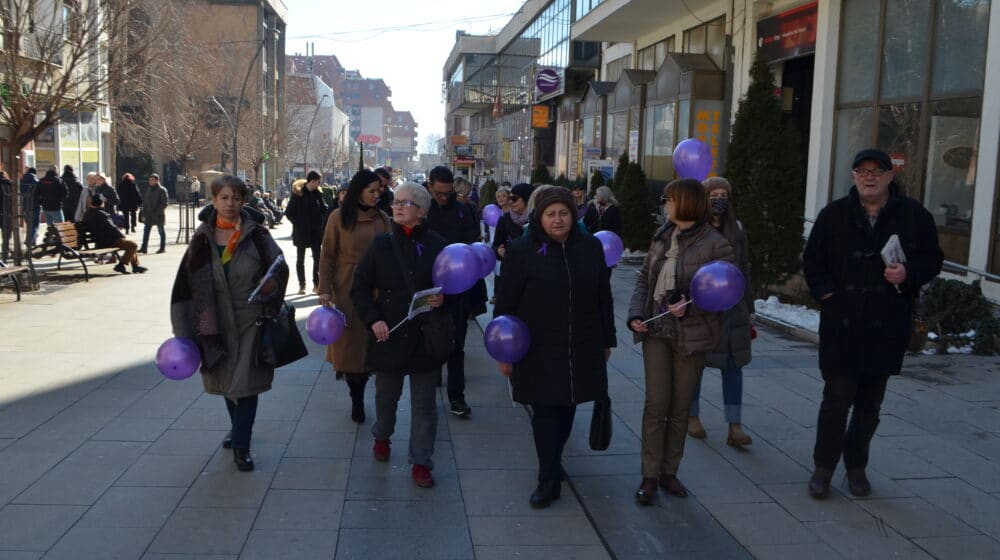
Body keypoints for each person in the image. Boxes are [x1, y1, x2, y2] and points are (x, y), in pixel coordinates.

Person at [802, 148, 943, 499]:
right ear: (853, 177)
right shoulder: (834, 215)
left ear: (889, 176)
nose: (869, 177)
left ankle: (856, 467)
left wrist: (908, 273)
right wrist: (828, 295)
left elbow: (933, 258)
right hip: (842, 325)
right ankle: (823, 468)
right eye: (862, 171)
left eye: (876, 171)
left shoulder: (914, 216)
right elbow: (812, 259)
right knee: (836, 401)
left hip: (886, 325)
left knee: (869, 405)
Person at [494, 186, 616, 508]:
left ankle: (553, 458)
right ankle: (548, 477)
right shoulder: (522, 251)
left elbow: (604, 296)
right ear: (539, 217)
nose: (558, 220)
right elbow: (505, 302)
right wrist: (503, 350)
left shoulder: (589, 247)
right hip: (536, 345)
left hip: (581, 341)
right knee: (545, 411)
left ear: (573, 215)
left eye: (564, 213)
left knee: (568, 405)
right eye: (551, 214)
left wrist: (607, 339)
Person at [627, 178, 735, 505]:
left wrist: (691, 302)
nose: (665, 204)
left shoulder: (716, 243)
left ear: (685, 202)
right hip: (656, 333)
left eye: (669, 199)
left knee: (679, 408)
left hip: (692, 337)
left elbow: (726, 292)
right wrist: (635, 314)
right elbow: (644, 279)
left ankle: (669, 472)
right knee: (655, 404)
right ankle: (648, 475)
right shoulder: (662, 235)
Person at [170, 175, 288, 472]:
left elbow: (280, 267)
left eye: (236, 197)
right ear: (213, 200)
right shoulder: (201, 238)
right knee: (225, 381)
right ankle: (238, 430)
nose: (230, 203)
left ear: (243, 201)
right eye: (223, 197)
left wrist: (271, 285)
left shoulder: (258, 235)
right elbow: (184, 285)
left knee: (245, 385)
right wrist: (183, 331)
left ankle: (241, 446)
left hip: (250, 318)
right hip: (212, 320)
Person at [350, 181, 448, 488]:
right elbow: (360, 287)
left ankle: (421, 462)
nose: (397, 206)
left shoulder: (437, 245)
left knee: (424, 405)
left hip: (425, 335)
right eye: (396, 202)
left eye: (405, 203)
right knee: (386, 398)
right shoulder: (381, 245)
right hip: (389, 333)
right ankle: (382, 435)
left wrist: (446, 299)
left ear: (421, 212)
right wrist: (373, 320)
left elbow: (456, 286)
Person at [318, 169, 391, 423]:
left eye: (378, 190)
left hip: (378, 287)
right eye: (371, 190)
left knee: (374, 342)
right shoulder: (339, 217)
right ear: (358, 191)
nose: (376, 195)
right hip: (346, 286)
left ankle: (367, 386)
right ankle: (356, 396)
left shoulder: (383, 218)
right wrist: (324, 288)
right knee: (350, 346)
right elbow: (327, 254)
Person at [687, 177, 755, 447]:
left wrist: (749, 308)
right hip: (701, 307)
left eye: (723, 194)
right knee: (696, 365)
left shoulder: (737, 228)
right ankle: (692, 417)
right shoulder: (694, 229)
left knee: (734, 366)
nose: (719, 198)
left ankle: (734, 426)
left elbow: (745, 268)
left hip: (733, 308)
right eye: (713, 194)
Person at [425, 165, 480, 418]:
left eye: (447, 192)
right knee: (427, 342)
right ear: (429, 186)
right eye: (439, 192)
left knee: (457, 345)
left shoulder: (463, 210)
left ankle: (457, 397)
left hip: (458, 289)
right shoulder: (423, 211)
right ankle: (430, 382)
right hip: (429, 288)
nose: (443, 197)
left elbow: (473, 244)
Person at [283, 171, 328, 294]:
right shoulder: (299, 194)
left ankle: (316, 284)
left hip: (315, 232)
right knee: (300, 259)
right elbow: (288, 212)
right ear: (312, 181)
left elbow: (324, 209)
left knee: (317, 258)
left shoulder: (318, 193)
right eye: (318, 181)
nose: (319, 184)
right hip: (301, 232)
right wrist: (298, 223)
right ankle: (302, 285)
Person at [81, 193, 146, 274]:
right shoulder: (101, 214)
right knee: (133, 245)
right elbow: (112, 228)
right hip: (108, 241)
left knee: (129, 244)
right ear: (101, 203)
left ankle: (135, 266)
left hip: (100, 241)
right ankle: (121, 265)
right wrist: (122, 236)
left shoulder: (87, 214)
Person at [139, 173, 168, 254]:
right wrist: (143, 214)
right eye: (149, 180)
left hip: (158, 215)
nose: (150, 182)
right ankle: (144, 248)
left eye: (152, 180)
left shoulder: (162, 190)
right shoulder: (148, 189)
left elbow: (164, 203)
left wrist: (157, 212)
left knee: (161, 232)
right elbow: (145, 203)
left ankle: (162, 248)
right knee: (146, 231)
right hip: (148, 215)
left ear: (157, 180)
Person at [20, 167, 40, 247]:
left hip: (25, 205)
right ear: (35, 173)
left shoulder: (22, 181)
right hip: (34, 205)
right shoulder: (36, 181)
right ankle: (30, 240)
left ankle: (31, 240)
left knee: (29, 224)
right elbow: (39, 193)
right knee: (34, 224)